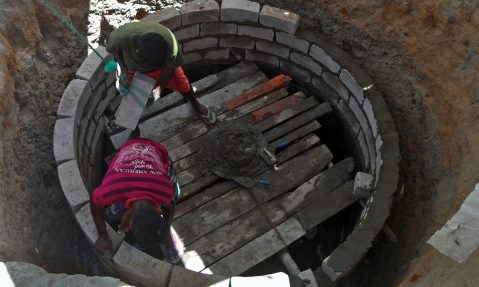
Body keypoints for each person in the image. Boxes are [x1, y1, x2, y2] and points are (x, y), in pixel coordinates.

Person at [90, 137, 182, 263]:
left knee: (174, 187)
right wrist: (103, 236)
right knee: (114, 209)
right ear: (158, 210)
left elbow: (170, 206)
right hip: (128, 149)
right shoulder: (111, 190)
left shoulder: (166, 191)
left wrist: (166, 230)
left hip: (156, 150)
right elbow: (94, 201)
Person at [106, 21, 216, 124]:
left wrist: (159, 89)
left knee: (184, 85)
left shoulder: (171, 43)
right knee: (134, 99)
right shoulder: (122, 36)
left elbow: (170, 67)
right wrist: (124, 71)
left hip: (164, 69)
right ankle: (134, 128)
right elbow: (113, 48)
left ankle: (196, 105)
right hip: (136, 70)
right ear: (139, 50)